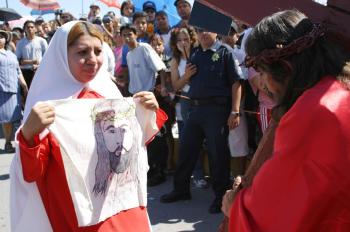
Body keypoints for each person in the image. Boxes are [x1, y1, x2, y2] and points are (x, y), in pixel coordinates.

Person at [10, 21, 166, 232]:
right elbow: (32, 174)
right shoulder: (47, 107)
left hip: (126, 211)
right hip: (83, 218)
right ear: (62, 57)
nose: (92, 60)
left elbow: (132, 150)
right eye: (82, 52)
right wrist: (28, 135)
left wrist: (148, 113)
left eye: (98, 51)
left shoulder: (108, 93)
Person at [221, 9, 350, 231]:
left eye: (261, 72)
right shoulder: (337, 91)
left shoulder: (313, 113)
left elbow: (276, 212)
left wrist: (234, 205)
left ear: (285, 67)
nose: (261, 84)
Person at [161, 26, 244, 214]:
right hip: (195, 108)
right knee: (186, 150)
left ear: (216, 31)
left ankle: (220, 196)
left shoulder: (225, 52)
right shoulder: (196, 54)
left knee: (217, 154)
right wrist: (187, 75)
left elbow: (236, 83)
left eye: (208, 30)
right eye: (199, 31)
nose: (204, 33)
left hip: (217, 110)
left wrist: (235, 111)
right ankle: (181, 190)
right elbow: (181, 84)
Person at [0, 30, 28, 153]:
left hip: (13, 89)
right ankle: (7, 142)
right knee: (5, 119)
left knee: (12, 118)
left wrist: (24, 84)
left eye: (2, 37)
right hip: (2, 90)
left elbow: (18, 70)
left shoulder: (11, 54)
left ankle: (10, 142)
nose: (0, 39)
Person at [16, 20, 48, 89]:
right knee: (26, 95)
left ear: (35, 29)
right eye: (27, 27)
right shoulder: (20, 43)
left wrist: (38, 65)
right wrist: (33, 61)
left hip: (39, 71)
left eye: (32, 27)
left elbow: (47, 58)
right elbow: (18, 61)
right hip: (25, 72)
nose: (30, 29)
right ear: (24, 29)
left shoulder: (42, 41)